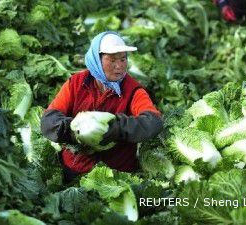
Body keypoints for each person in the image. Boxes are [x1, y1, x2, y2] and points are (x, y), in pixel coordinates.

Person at [40, 31, 163, 181]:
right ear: (97, 60)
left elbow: (153, 122)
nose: (119, 66)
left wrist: (115, 127)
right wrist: (74, 131)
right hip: (74, 170)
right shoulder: (76, 83)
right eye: (111, 60)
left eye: (123, 59)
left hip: (117, 177)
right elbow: (49, 120)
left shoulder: (133, 90)